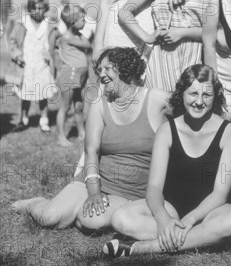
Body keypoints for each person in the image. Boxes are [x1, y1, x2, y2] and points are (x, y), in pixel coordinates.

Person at [11, 48, 170, 231]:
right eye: (99, 70)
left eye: (107, 68)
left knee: (89, 220)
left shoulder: (157, 98)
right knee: (50, 217)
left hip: (134, 192)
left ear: (125, 68)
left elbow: (189, 109)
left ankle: (80, 213)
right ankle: (35, 204)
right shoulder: (100, 104)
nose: (101, 75)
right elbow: (91, 151)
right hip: (96, 180)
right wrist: (94, 192)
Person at [103, 65, 231, 257]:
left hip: (209, 212)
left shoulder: (229, 132)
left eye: (207, 95)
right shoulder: (167, 130)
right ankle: (210, 240)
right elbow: (154, 188)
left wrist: (191, 219)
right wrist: (163, 220)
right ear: (182, 93)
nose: (199, 102)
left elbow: (220, 194)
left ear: (216, 96)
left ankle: (145, 248)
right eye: (193, 93)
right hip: (171, 209)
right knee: (120, 218)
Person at [10, 0, 59, 133]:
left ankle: (44, 119)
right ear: (29, 8)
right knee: (25, 95)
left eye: (41, 8)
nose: (38, 11)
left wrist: (51, 51)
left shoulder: (49, 25)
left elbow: (57, 42)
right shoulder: (22, 23)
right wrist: (17, 55)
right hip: (26, 65)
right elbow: (13, 41)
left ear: (46, 8)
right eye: (35, 8)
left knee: (43, 95)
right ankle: (23, 118)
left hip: (42, 65)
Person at [55, 4, 91, 146]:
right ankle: (61, 136)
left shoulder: (75, 34)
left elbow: (86, 43)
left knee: (79, 106)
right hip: (69, 75)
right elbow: (88, 45)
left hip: (79, 75)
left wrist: (78, 31)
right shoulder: (68, 37)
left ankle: (81, 132)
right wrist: (79, 33)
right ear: (72, 22)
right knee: (65, 106)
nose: (85, 21)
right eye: (82, 19)